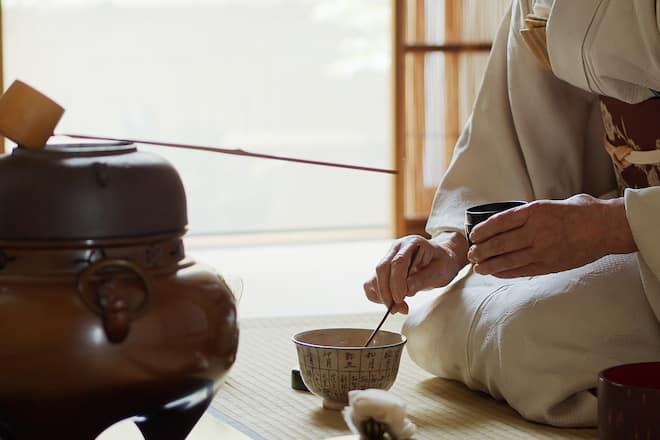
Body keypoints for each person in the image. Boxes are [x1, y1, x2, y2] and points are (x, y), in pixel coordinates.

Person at [364, 0, 660, 427]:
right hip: (619, 218)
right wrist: (454, 243)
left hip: (642, 233)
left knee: (524, 343)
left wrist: (613, 224)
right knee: (433, 324)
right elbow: (508, 128)